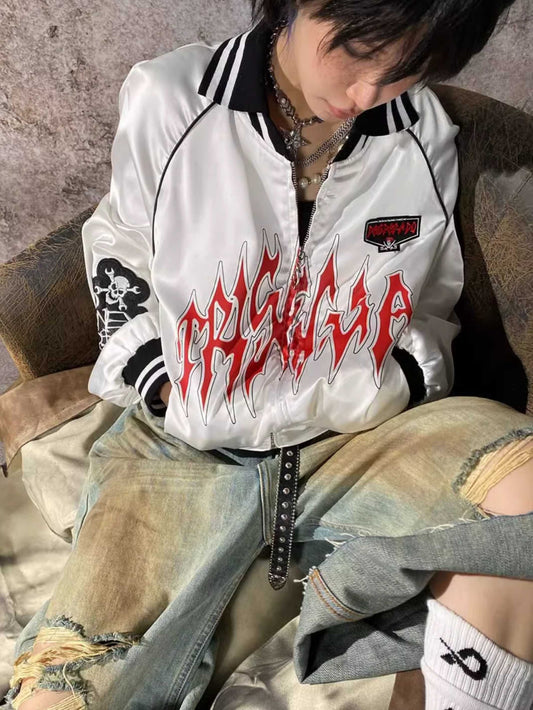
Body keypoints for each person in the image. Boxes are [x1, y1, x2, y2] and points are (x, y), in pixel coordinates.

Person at [5, 0, 533, 708]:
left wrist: (397, 381)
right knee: (69, 684)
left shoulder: (422, 132)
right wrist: (158, 380)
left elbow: (428, 304)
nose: (367, 93)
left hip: (363, 437)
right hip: (184, 448)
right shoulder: (170, 98)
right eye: (356, 52)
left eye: (407, 69)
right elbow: (119, 247)